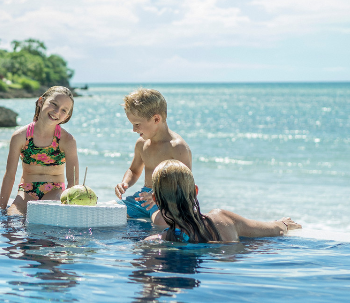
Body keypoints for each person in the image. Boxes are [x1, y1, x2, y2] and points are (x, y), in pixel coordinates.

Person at [145, 160, 301, 243]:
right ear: (196, 191)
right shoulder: (224, 220)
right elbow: (275, 230)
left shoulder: (155, 243)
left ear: (155, 200)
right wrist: (283, 223)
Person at [114, 88, 191, 227]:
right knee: (109, 210)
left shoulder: (177, 147)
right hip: (143, 197)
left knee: (161, 222)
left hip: (168, 200)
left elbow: (185, 184)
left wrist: (160, 197)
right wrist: (124, 183)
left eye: (137, 124)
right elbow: (134, 170)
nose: (134, 129)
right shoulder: (142, 144)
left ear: (156, 119)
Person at [0, 86, 79, 214]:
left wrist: (71, 209)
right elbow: (9, 176)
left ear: (67, 117)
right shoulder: (20, 136)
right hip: (26, 191)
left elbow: (73, 181)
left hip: (55, 191)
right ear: (41, 102)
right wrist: (1, 208)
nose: (57, 111)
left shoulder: (67, 140)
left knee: (47, 217)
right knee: (12, 219)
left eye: (64, 110)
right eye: (53, 104)